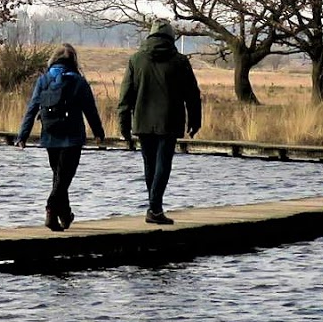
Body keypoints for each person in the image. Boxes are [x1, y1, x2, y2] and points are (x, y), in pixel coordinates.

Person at [116, 19, 201, 225]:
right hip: (169, 120)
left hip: (143, 120)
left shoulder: (136, 60)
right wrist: (195, 120)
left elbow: (125, 95)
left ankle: (154, 207)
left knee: (150, 164)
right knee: (163, 163)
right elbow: (192, 94)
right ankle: (155, 208)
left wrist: (124, 124)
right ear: (171, 37)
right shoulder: (180, 61)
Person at [16, 43, 106, 232]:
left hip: (50, 135)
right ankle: (51, 209)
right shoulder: (79, 82)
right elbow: (90, 110)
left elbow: (32, 108)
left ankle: (64, 215)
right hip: (72, 137)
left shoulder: (44, 80)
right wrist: (98, 133)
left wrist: (23, 135)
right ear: (74, 61)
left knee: (59, 176)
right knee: (64, 177)